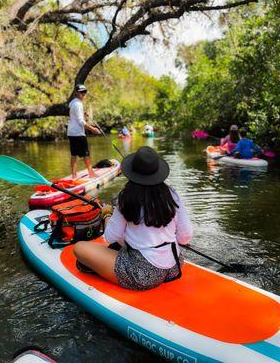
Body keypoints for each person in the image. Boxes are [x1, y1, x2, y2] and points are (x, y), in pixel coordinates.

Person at [74, 146, 193, 291]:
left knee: (79, 248)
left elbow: (110, 237)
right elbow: (185, 237)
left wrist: (107, 215)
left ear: (132, 173)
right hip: (175, 265)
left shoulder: (126, 198)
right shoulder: (172, 194)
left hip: (143, 275)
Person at [67, 84, 100, 178]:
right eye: (81, 92)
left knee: (74, 154)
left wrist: (82, 113)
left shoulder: (73, 102)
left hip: (71, 132)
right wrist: (93, 129)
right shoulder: (78, 104)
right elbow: (81, 121)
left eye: (84, 92)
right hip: (78, 133)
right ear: (77, 93)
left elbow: (73, 114)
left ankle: (73, 175)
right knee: (86, 154)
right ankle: (91, 173)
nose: (83, 94)